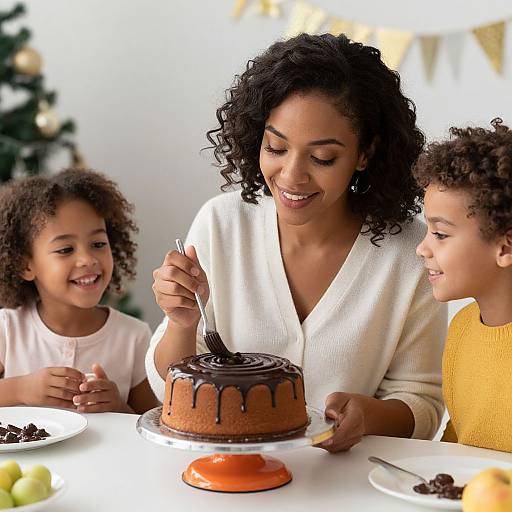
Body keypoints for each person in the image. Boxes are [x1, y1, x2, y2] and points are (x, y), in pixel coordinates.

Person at [147, 33, 446, 451]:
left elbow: (423, 404)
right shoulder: (222, 224)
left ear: (365, 153)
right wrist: (182, 322)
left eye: (322, 158)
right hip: (225, 481)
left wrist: (368, 416)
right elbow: (170, 388)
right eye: (276, 147)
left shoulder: (411, 251)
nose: (291, 176)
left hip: (345, 488)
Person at [0, 168, 157, 414]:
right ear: (25, 265)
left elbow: (151, 423)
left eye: (97, 244)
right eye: (65, 250)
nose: (87, 259)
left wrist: (118, 406)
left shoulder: (134, 337)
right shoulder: (7, 330)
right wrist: (22, 389)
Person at [415, 118, 512, 452]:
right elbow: (456, 446)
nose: (422, 248)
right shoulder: (461, 329)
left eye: (440, 234)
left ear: (505, 248)